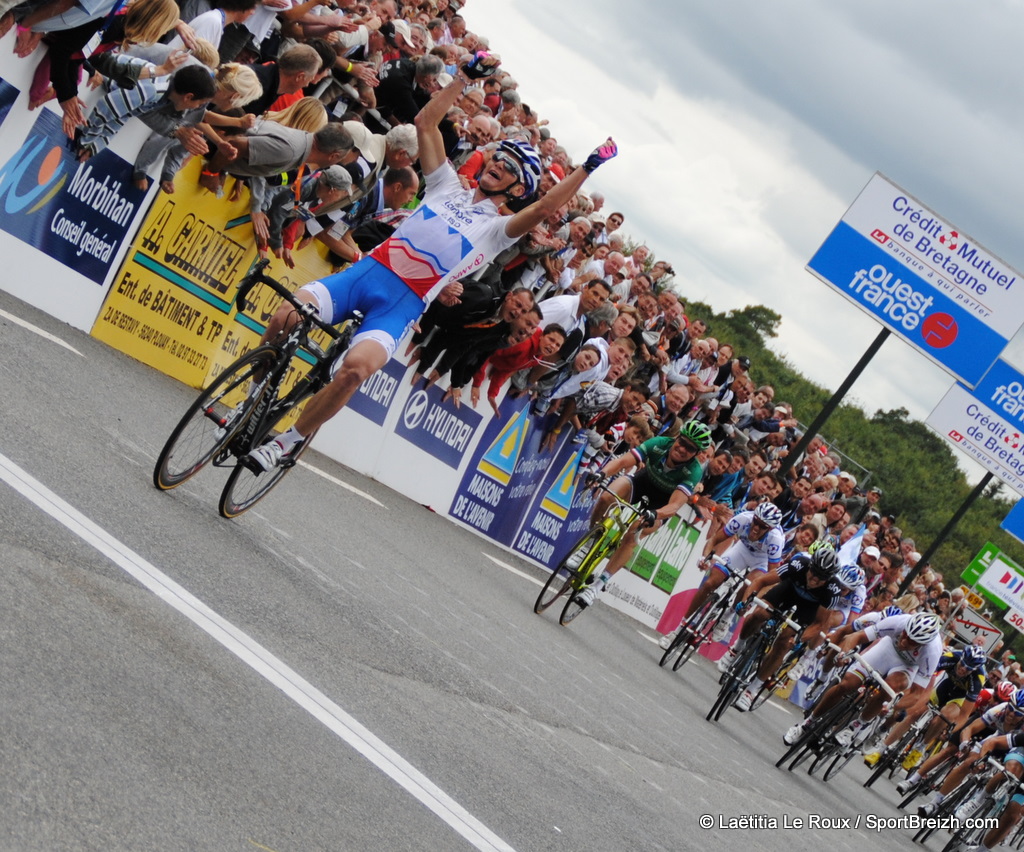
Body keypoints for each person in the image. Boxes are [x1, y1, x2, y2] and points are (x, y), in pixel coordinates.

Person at [246, 54, 618, 471]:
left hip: (400, 304)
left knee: (353, 370)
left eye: (509, 168)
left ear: (517, 187)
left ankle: (287, 442)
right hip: (365, 275)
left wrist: (587, 167)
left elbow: (546, 206)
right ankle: (249, 400)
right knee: (286, 314)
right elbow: (424, 123)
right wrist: (462, 78)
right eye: (497, 157)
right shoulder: (445, 186)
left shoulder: (498, 230)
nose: (497, 165)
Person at [571, 421, 712, 608]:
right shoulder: (660, 443)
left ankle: (597, 585)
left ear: (696, 454)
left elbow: (675, 505)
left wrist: (656, 514)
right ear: (677, 438)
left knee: (634, 533)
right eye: (682, 442)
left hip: (662, 504)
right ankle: (588, 545)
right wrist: (601, 474)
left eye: (690, 448)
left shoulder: (692, 472)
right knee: (606, 497)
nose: (683, 449)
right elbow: (623, 461)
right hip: (643, 482)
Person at [784, 611, 944, 749]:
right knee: (846, 684)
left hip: (907, 667)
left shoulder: (932, 652)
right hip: (887, 650)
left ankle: (856, 726)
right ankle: (807, 724)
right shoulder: (899, 622)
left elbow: (916, 694)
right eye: (905, 635)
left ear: (923, 644)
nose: (904, 641)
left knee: (890, 688)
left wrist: (892, 706)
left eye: (911, 642)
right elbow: (857, 636)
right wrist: (843, 654)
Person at [724, 548, 843, 711]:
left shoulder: (832, 591)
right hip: (788, 591)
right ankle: (736, 648)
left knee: (785, 641)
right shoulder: (798, 564)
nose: (814, 578)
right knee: (760, 614)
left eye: (821, 577)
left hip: (808, 608)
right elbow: (761, 581)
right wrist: (746, 602)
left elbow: (819, 624)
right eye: (814, 572)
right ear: (810, 566)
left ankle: (751, 690)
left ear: (828, 578)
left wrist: (799, 639)